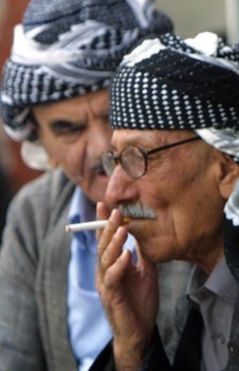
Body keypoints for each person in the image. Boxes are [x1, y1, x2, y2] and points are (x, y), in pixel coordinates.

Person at [91, 32, 239, 371]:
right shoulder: (200, 290)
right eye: (115, 160)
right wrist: (132, 345)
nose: (114, 193)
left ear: (228, 168)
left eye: (139, 158)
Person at [0, 1, 189, 370]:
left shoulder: (203, 199)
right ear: (39, 141)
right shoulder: (35, 215)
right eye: (69, 129)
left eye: (115, 114)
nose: (103, 147)